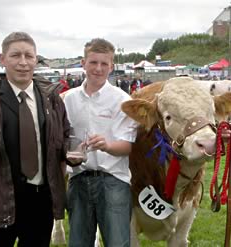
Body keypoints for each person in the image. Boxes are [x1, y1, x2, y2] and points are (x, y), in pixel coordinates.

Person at [0, 31, 69, 247]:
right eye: (15, 56)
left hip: (41, 200)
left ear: (36, 59)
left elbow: (65, 136)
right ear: (2, 59)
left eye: (28, 56)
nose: (23, 63)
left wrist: (71, 154)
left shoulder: (51, 98)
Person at [63, 38, 137, 247]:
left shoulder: (123, 101)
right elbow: (63, 139)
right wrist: (69, 153)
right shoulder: (68, 99)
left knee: (117, 243)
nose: (98, 68)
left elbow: (127, 147)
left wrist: (107, 145)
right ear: (83, 63)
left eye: (104, 64)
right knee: (78, 243)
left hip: (113, 181)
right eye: (93, 62)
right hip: (78, 179)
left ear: (111, 67)